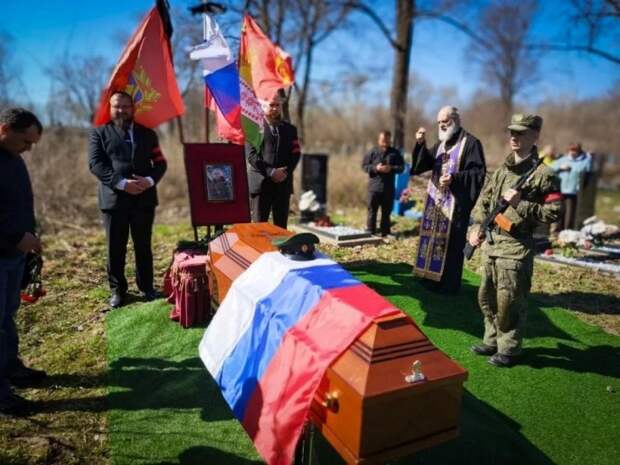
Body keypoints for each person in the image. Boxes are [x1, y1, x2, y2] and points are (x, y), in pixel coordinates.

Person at [469, 114, 562, 367]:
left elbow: (554, 213)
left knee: (509, 301)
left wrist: (521, 203)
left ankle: (509, 349)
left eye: (521, 133)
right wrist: (476, 227)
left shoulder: (544, 175)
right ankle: (491, 340)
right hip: (492, 244)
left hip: (516, 247)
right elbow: (484, 202)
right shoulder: (502, 171)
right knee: (486, 297)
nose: (514, 137)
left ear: (535, 136)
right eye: (512, 132)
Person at [88, 91, 167, 308]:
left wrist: (149, 181)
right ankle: (118, 291)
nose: (121, 110)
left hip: (144, 199)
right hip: (114, 201)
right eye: (117, 106)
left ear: (133, 108)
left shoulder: (148, 134)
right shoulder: (99, 133)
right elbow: (95, 164)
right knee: (115, 248)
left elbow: (160, 163)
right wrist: (122, 184)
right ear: (110, 108)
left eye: (125, 106)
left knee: (143, 245)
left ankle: (147, 287)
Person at [0, 107, 47, 415]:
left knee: (7, 317)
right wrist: (16, 237)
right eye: (26, 141)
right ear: (5, 129)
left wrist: (29, 238)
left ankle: (11, 368)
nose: (29, 148)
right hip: (3, 251)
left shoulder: (14, 158)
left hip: (15, 255)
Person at [410, 105, 486, 294]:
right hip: (436, 205)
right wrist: (420, 144)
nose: (441, 125)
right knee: (433, 240)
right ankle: (429, 278)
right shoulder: (441, 144)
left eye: (445, 121)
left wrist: (454, 178)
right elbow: (421, 165)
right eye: (439, 122)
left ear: (456, 120)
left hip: (455, 204)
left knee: (451, 245)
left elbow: (478, 173)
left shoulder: (471, 143)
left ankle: (448, 286)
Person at [246, 95, 301, 229]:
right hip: (261, 183)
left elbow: (296, 154)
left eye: (278, 105)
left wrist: (284, 172)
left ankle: (280, 244)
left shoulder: (290, 129)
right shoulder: (253, 128)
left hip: (283, 184)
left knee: (281, 228)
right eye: (272, 105)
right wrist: (271, 172)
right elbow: (251, 156)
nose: (275, 108)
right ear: (263, 106)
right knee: (259, 227)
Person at [362, 130, 405, 236]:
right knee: (372, 210)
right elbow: (364, 166)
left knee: (386, 212)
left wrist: (391, 168)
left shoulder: (395, 153)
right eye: (383, 139)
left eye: (387, 139)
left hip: (388, 188)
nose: (385, 141)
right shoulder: (372, 152)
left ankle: (385, 232)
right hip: (374, 188)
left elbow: (401, 168)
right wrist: (376, 168)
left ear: (390, 140)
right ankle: (370, 231)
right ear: (379, 140)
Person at [552, 142, 592, 231]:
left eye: (575, 150)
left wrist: (588, 157)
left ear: (579, 151)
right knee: (559, 211)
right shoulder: (562, 160)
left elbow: (588, 171)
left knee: (569, 213)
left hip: (572, 191)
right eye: (571, 150)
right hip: (560, 190)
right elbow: (551, 169)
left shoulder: (583, 161)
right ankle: (557, 231)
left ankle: (567, 231)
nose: (573, 152)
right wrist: (560, 168)